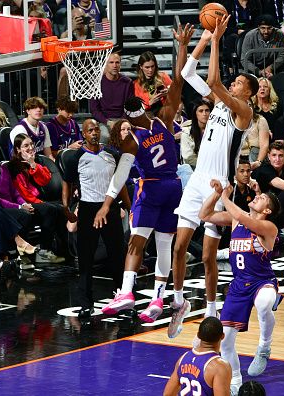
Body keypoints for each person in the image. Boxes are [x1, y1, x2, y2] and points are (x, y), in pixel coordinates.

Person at [96, 24, 193, 323]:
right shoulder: (164, 119)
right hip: (173, 186)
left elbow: (122, 172)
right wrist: (181, 47)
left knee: (137, 242)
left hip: (151, 189)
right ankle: (157, 299)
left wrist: (107, 203)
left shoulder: (133, 137)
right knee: (163, 243)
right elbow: (178, 81)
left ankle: (126, 293)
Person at [172, 15, 257, 336]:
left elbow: (216, 82)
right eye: (234, 82)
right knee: (180, 247)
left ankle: (210, 311)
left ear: (247, 93)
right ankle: (179, 301)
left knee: (208, 257)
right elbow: (186, 73)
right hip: (196, 180)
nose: (234, 84)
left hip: (220, 187)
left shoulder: (244, 113)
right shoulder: (217, 104)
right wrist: (203, 41)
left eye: (239, 84)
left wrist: (219, 39)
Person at [199, 180, 279, 395]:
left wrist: (226, 197)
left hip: (262, 281)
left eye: (262, 198)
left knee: (265, 302)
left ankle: (264, 347)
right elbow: (204, 215)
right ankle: (234, 382)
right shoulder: (236, 220)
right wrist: (217, 194)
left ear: (268, 210)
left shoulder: (269, 227)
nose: (258, 196)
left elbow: (245, 218)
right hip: (238, 286)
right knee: (224, 340)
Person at [61, 119, 130, 320]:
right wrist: (66, 208)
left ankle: (122, 298)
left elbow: (120, 183)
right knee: (86, 259)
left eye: (96, 130)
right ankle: (85, 303)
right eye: (90, 130)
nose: (94, 133)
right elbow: (67, 183)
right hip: (89, 210)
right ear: (83, 134)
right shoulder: (76, 157)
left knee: (117, 256)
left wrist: (128, 205)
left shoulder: (111, 154)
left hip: (110, 209)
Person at [0, 135, 63, 264]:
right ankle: (22, 257)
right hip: (0, 210)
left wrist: (23, 203)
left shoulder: (3, 167)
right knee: (24, 215)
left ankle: (44, 251)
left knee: (49, 210)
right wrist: (19, 207)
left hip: (17, 205)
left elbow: (14, 192)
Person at [162, 316, 231, 396]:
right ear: (222, 336)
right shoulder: (220, 366)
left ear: (198, 335)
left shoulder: (183, 358)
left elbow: (167, 394)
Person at [88, 52, 135, 132]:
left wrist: (121, 122)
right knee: (104, 136)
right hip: (104, 121)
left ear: (120, 64)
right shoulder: (96, 83)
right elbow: (94, 109)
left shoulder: (128, 82)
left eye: (117, 62)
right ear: (105, 64)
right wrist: (108, 122)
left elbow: (130, 107)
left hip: (123, 120)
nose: (114, 65)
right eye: (111, 62)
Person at [240, 14, 284, 79]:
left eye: (269, 28)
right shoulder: (250, 36)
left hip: (273, 68)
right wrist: (259, 71)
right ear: (258, 27)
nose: (266, 31)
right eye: (263, 28)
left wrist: (271, 68)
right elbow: (244, 59)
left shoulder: (279, 34)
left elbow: (282, 55)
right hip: (253, 69)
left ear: (273, 27)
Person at [180, 98, 212, 169]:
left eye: (207, 110)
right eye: (201, 111)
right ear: (195, 114)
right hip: (193, 169)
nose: (204, 114)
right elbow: (188, 157)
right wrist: (206, 166)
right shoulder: (186, 131)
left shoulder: (215, 130)